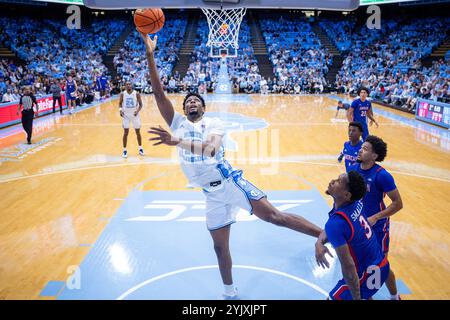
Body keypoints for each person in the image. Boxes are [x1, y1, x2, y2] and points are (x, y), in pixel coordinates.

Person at [141, 33, 324, 299]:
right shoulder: (178, 123)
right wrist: (150, 55)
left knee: (275, 217)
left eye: (196, 101)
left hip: (229, 182)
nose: (191, 102)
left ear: (203, 108)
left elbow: (211, 149)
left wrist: (176, 141)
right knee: (219, 248)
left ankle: (329, 235)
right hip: (210, 194)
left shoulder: (213, 124)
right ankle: (229, 292)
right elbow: (158, 92)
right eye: (187, 101)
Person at [315, 171, 390, 300]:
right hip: (381, 265)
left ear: (346, 195)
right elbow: (332, 225)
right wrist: (319, 242)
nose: (333, 181)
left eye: (338, 181)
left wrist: (356, 298)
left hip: (367, 274)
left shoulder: (337, 223)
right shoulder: (355, 203)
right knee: (364, 293)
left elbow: (348, 267)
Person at [349, 135, 403, 300]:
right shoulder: (354, 170)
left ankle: (395, 296)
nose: (360, 149)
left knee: (381, 266)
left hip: (378, 227)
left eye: (365, 149)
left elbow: (397, 204)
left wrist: (376, 217)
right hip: (360, 226)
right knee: (361, 266)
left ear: (374, 156)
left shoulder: (382, 175)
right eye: (361, 147)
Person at [119, 81, 144, 158]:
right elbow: (120, 104)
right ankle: (124, 150)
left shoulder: (136, 93)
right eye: (127, 84)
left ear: (131, 85)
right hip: (126, 116)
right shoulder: (122, 94)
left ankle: (140, 148)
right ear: (125, 86)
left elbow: (141, 104)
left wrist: (137, 111)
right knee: (125, 133)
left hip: (134, 115)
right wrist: (120, 110)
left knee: (138, 132)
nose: (128, 85)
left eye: (129, 84)